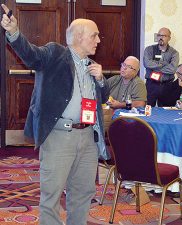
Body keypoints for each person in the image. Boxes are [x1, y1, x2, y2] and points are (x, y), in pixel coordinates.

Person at [1, 4, 109, 225]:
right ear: (78, 37)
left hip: (88, 137)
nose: (99, 40)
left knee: (83, 193)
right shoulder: (54, 54)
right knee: (51, 195)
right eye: (94, 35)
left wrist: (101, 80)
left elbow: (103, 98)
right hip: (60, 136)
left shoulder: (92, 66)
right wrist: (14, 32)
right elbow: (31, 55)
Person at [143, 27, 179, 107]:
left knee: (166, 110)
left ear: (169, 38)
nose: (161, 38)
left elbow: (172, 69)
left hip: (167, 85)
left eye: (164, 36)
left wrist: (155, 66)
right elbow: (147, 63)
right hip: (151, 84)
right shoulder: (149, 49)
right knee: (148, 109)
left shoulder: (174, 53)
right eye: (159, 35)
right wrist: (164, 64)